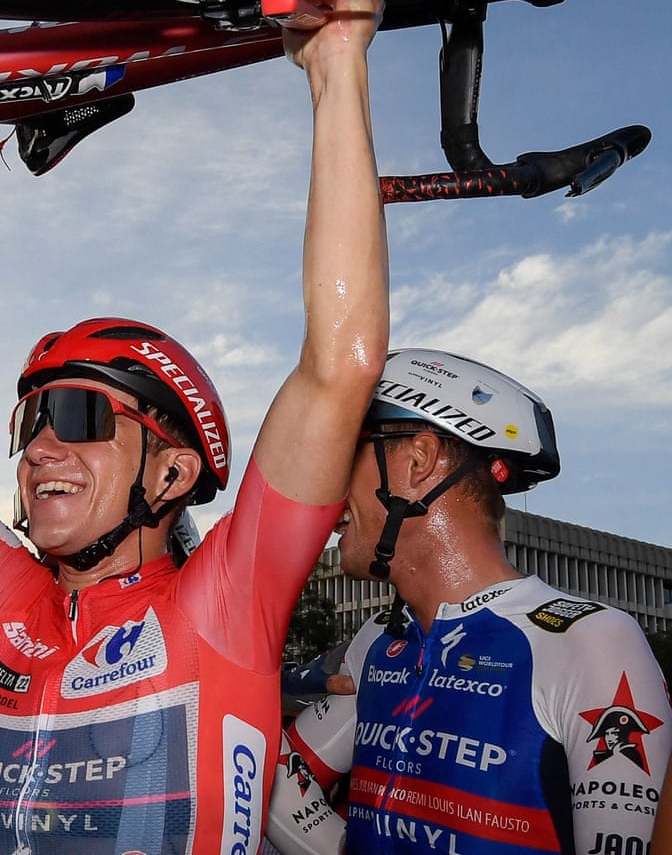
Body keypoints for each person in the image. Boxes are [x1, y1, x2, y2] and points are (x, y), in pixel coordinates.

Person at [0, 0, 389, 852]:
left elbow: (339, 368)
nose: (42, 448)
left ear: (172, 473)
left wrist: (336, 66)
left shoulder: (225, 604)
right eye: (29, 423)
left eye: (78, 415)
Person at [265, 349, 672, 855]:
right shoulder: (376, 641)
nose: (324, 489)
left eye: (345, 454)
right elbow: (268, 778)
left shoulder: (589, 642)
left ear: (418, 460)